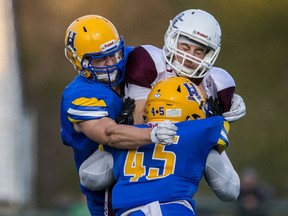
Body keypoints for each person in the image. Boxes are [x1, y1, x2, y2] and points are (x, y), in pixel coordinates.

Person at [60, 15, 178, 215]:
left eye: (114, 53)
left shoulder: (133, 59)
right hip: (109, 189)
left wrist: (218, 90)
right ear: (77, 60)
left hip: (153, 172)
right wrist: (151, 134)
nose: (111, 62)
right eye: (99, 58)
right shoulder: (79, 94)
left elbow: (178, 68)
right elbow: (108, 134)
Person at [81, 77, 240, 215]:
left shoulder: (128, 137)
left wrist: (117, 136)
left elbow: (89, 177)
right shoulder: (198, 137)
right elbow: (229, 190)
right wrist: (214, 144)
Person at [124, 8, 246, 124]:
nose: (190, 56)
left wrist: (227, 110)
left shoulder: (218, 83)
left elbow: (218, 139)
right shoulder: (149, 61)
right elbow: (138, 120)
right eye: (185, 47)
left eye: (198, 52)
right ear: (171, 40)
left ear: (208, 55)